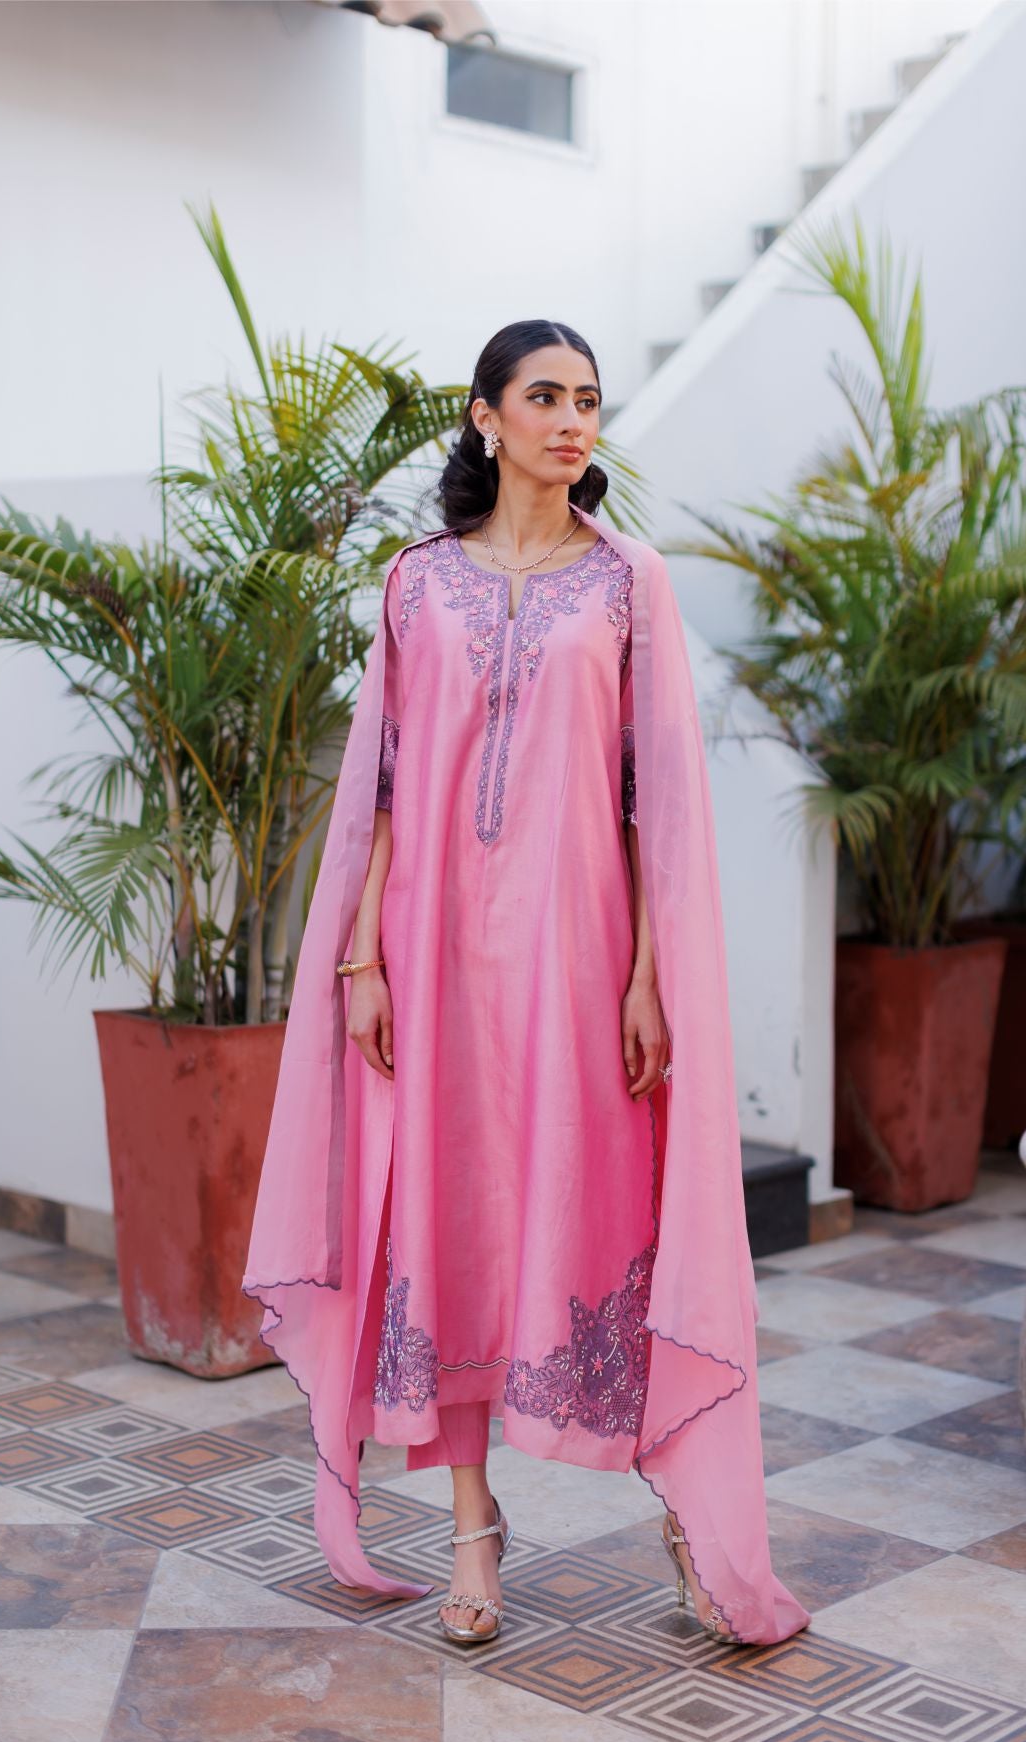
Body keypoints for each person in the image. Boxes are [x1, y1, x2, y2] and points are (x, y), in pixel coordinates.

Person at [242, 319, 811, 1651]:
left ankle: (688, 1503)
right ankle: (469, 1531)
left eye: (588, 401)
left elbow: (655, 805)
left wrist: (650, 979)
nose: (571, 420)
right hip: (433, 967)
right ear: (483, 415)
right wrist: (363, 954)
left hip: (576, 963)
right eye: (543, 396)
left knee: (608, 1215)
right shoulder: (414, 583)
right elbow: (381, 792)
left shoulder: (626, 585)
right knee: (445, 1224)